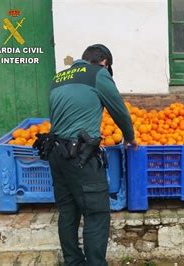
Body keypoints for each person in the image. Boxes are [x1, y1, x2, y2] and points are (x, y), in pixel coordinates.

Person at [48, 44, 135, 265]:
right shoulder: (98, 74)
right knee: (96, 214)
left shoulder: (59, 77)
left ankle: (73, 262)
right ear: (103, 62)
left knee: (68, 212)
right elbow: (119, 110)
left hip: (56, 154)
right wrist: (130, 137)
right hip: (81, 156)